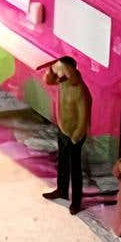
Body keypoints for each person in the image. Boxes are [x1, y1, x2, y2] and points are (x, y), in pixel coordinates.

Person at [43, 55, 92, 212]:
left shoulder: (80, 90)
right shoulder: (62, 83)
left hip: (74, 135)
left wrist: (77, 135)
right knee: (63, 162)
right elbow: (48, 81)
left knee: (75, 167)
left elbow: (84, 117)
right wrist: (52, 69)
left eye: (62, 69)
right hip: (62, 130)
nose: (59, 73)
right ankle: (62, 190)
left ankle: (76, 201)